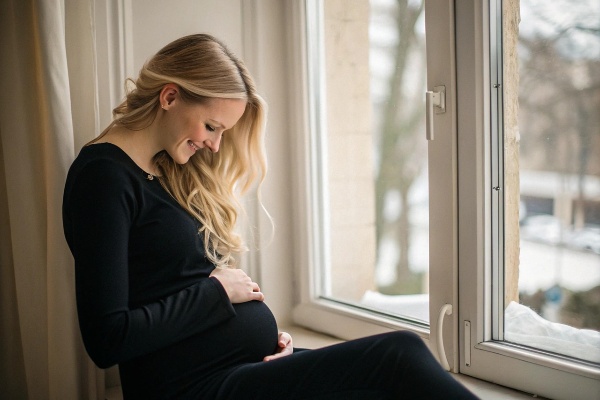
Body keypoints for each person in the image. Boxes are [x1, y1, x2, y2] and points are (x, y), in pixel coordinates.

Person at [62, 33, 478, 399]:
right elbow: (107, 338)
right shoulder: (104, 179)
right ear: (170, 97)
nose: (214, 145)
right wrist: (217, 294)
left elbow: (171, 289)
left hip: (235, 371)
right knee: (397, 355)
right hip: (190, 388)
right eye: (211, 126)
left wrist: (275, 348)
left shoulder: (161, 170)